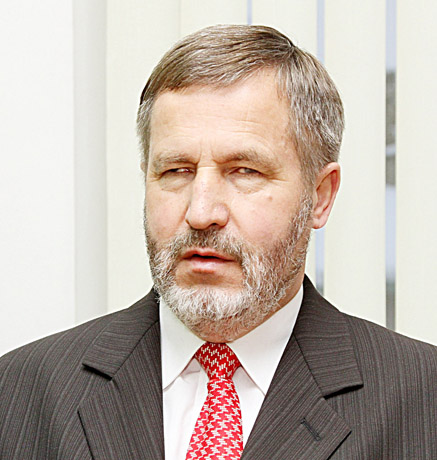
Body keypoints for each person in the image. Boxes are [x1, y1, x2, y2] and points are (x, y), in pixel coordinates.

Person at [0, 24, 436, 460]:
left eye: (244, 171)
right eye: (176, 171)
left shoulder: (423, 399)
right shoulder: (20, 391)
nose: (201, 212)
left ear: (320, 197)